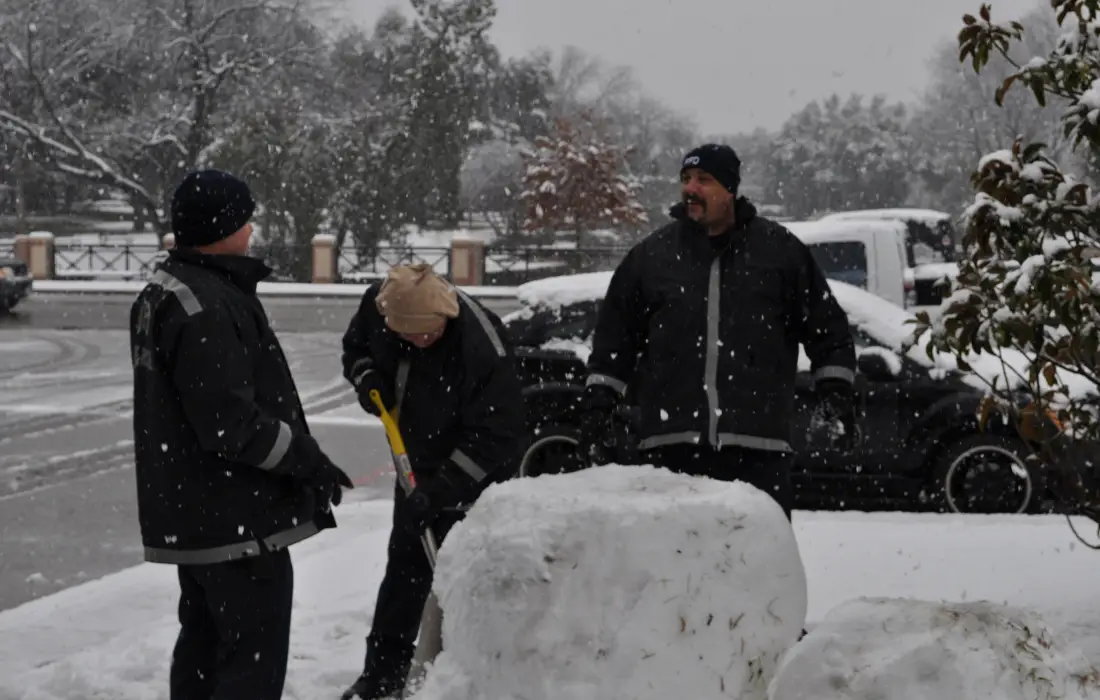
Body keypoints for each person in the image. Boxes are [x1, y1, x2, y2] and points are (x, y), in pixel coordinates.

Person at [129, 169, 354, 700]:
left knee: (205, 647)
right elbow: (232, 426)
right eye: (244, 218)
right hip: (235, 521)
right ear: (222, 226)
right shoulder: (204, 303)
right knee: (249, 662)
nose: (252, 228)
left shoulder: (172, 290)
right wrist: (307, 461)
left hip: (199, 518)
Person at [579, 144, 858, 519]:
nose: (690, 189)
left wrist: (836, 393)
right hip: (670, 449)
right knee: (675, 570)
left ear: (730, 189)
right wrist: (600, 403)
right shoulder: (651, 258)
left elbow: (828, 330)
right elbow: (615, 338)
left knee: (754, 567)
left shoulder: (780, 253)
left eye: (703, 180)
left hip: (759, 451)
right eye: (686, 180)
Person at [338, 263, 528, 700]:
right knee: (404, 573)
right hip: (414, 464)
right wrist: (366, 376)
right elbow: (356, 347)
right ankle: (382, 677)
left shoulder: (482, 345)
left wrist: (441, 492)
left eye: (428, 334)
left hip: (474, 474)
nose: (421, 341)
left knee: (465, 575)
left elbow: (497, 436)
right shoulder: (379, 304)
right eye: (409, 336)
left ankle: (471, 676)